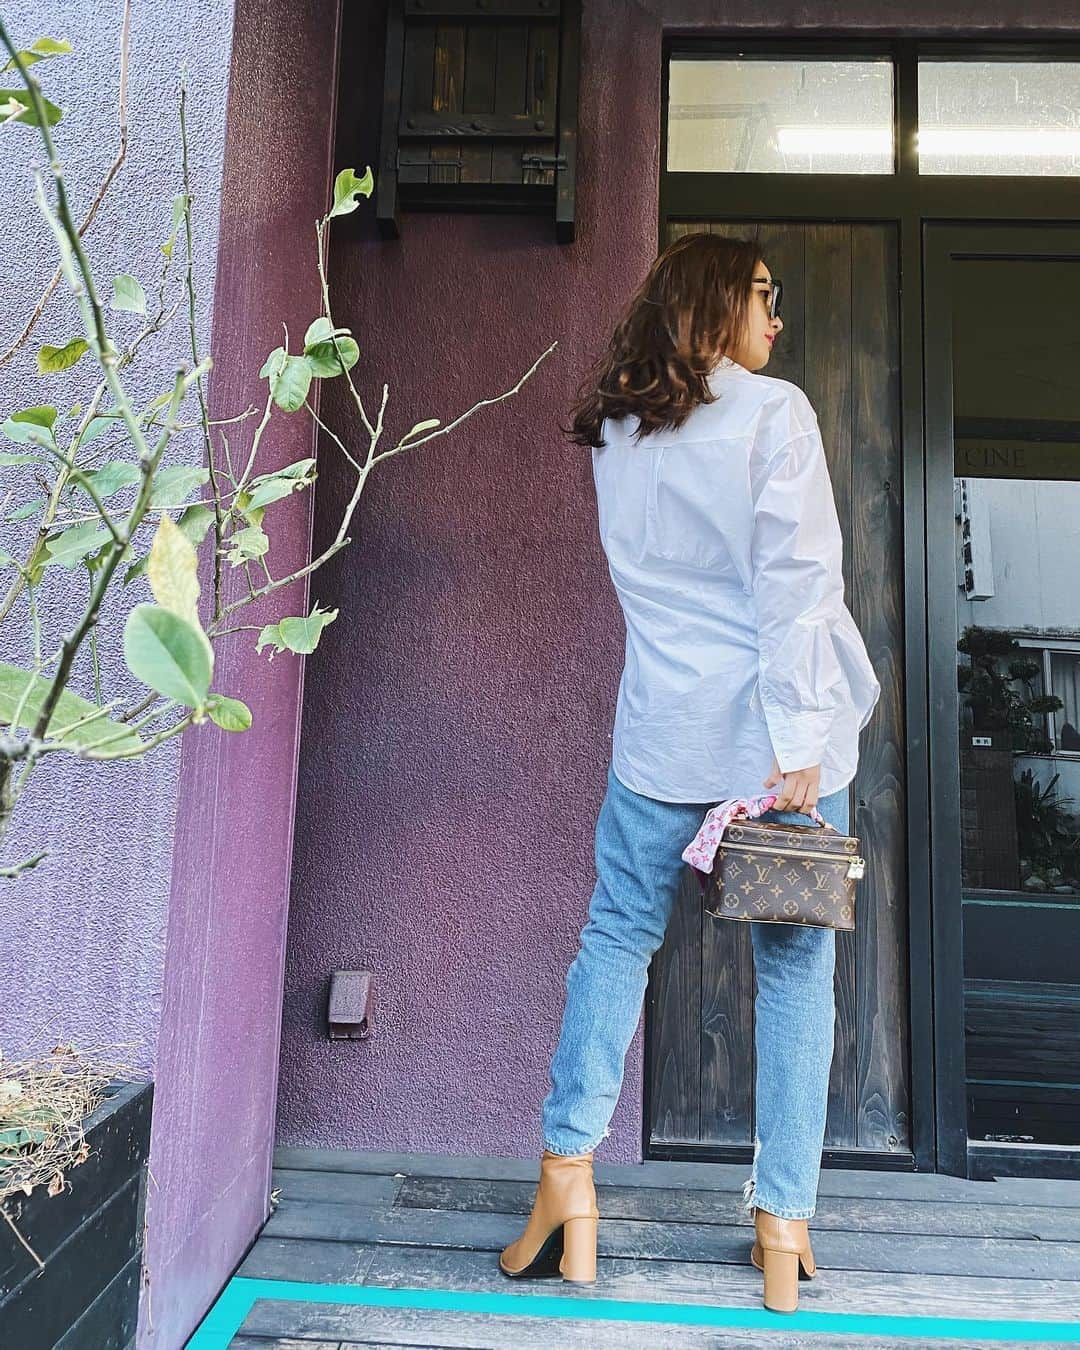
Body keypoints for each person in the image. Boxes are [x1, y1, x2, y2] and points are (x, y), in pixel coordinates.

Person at [498, 232, 881, 1313]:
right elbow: (797, 582)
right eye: (765, 294)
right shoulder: (774, 415)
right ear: (715, 300)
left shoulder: (622, 427)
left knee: (618, 935)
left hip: (661, 738)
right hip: (772, 750)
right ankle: (783, 1221)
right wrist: (805, 738)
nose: (779, 315)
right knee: (797, 971)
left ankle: (568, 1173)